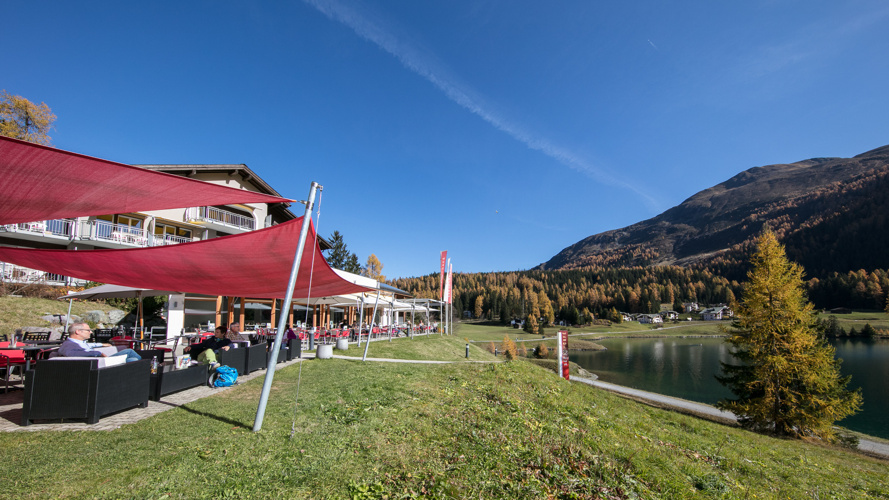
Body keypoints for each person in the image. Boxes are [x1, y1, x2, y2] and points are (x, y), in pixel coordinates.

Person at [58, 323, 142, 363]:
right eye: (88, 330)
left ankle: (145, 369)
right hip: (99, 363)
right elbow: (71, 354)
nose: (90, 332)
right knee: (129, 352)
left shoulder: (76, 342)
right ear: (78, 332)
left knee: (132, 359)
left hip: (99, 361)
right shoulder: (68, 345)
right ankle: (148, 368)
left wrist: (101, 344)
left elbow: (87, 345)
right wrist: (97, 353)